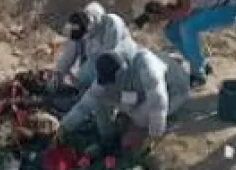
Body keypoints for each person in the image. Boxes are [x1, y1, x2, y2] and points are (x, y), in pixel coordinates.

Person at [59, 48, 190, 145]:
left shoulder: (147, 67)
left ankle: (135, 123)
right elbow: (86, 104)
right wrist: (64, 127)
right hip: (140, 93)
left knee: (139, 119)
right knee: (102, 97)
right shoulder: (107, 72)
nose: (109, 84)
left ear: (121, 72)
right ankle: (107, 136)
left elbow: (158, 103)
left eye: (112, 81)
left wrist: (153, 135)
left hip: (173, 90)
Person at [51, 1, 139, 92]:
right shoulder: (81, 26)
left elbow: (107, 59)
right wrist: (59, 73)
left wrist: (81, 82)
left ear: (89, 28)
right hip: (95, 61)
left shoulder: (112, 24)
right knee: (80, 79)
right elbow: (70, 51)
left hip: (123, 63)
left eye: (84, 36)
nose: (83, 39)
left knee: (87, 81)